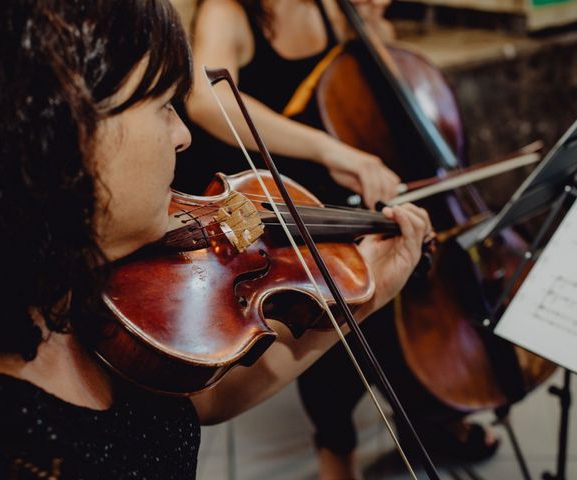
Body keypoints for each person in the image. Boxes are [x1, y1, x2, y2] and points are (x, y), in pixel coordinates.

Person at [0, 0, 432, 478]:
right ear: (58, 134)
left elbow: (203, 398)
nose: (182, 135)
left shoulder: (77, 286)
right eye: (162, 107)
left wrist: (366, 295)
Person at [177, 0, 499, 478]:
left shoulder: (332, 8)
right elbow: (205, 100)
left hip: (338, 186)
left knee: (398, 277)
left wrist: (372, 27)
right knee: (326, 305)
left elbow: (373, 80)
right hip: (275, 197)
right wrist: (333, 151)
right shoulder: (231, 12)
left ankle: (428, 414)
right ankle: (336, 445)